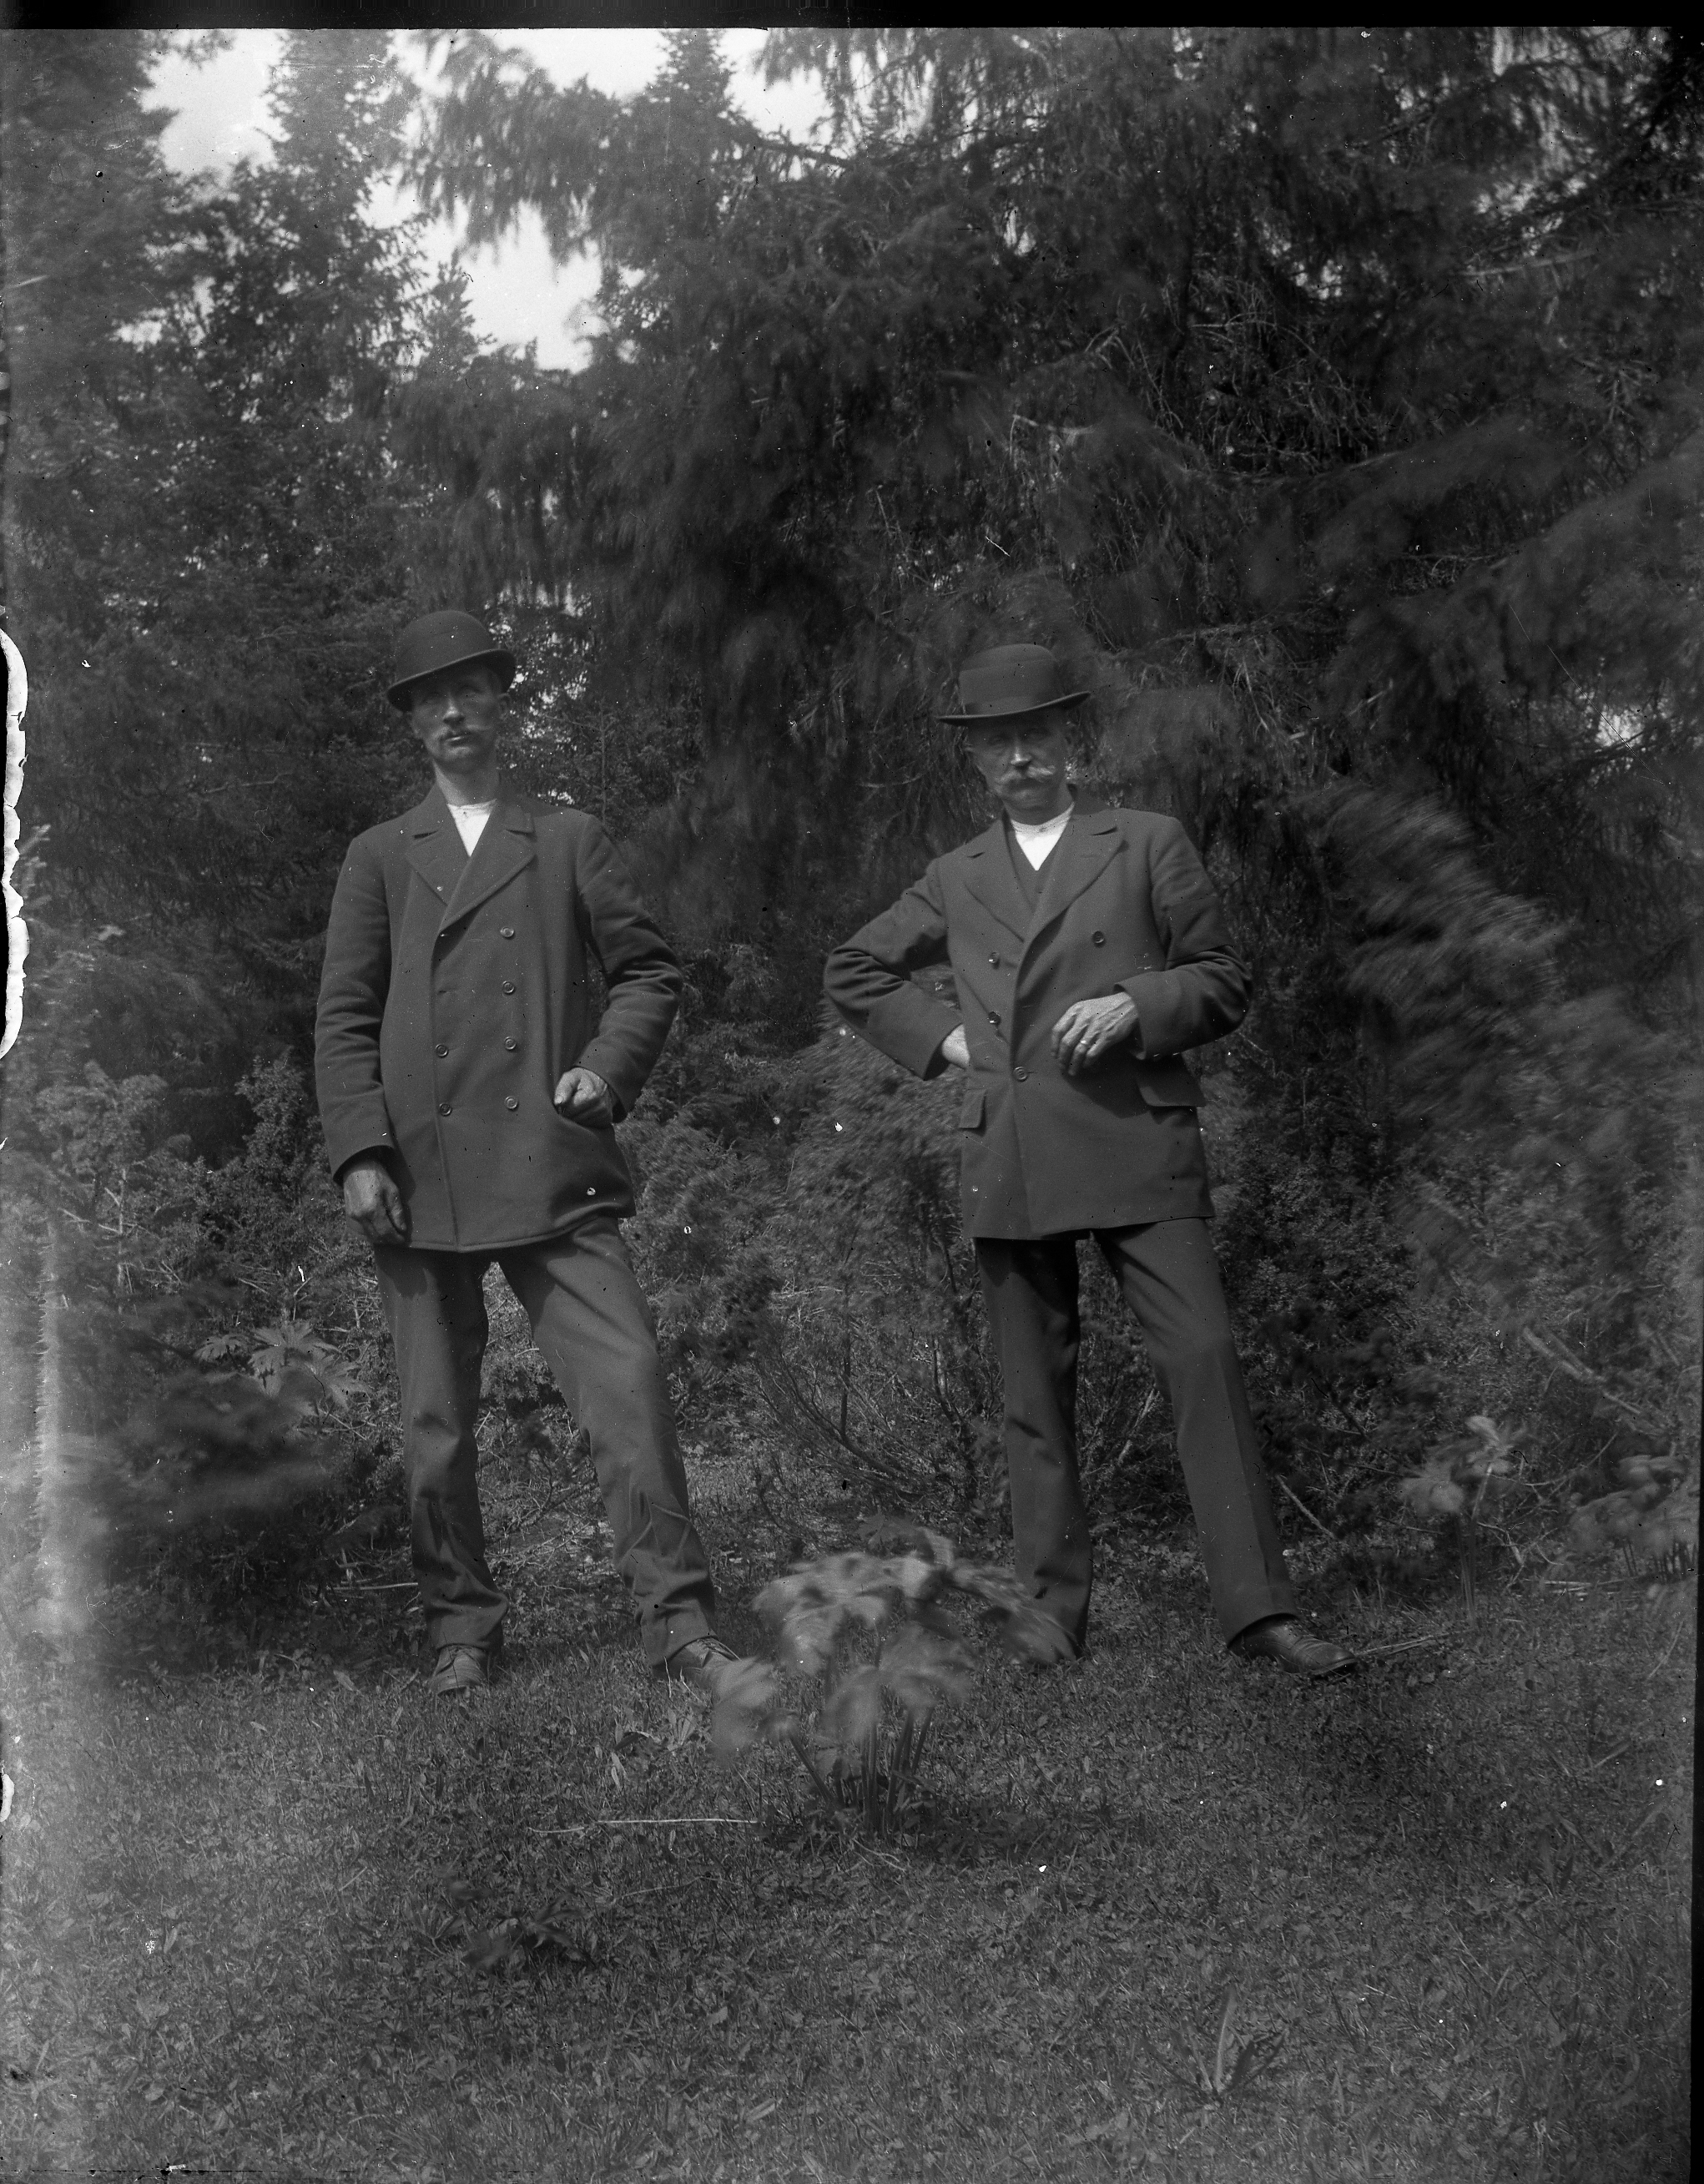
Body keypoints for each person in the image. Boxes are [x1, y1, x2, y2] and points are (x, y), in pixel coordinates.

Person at [823, 643, 1351, 1677]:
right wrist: (950, 1041)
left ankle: (1259, 1613)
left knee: (1202, 1359)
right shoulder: (955, 876)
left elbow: (1222, 977)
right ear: (973, 759)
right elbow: (853, 967)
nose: (1018, 756)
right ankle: (1049, 1622)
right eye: (996, 742)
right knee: (1032, 1394)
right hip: (1013, 1146)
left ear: (1069, 741)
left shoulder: (1145, 840)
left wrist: (1136, 1005)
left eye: (1035, 735)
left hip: (1135, 1133)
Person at [315, 609, 739, 1698]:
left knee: (628, 1384)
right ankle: (461, 1628)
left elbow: (648, 973)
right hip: (419, 1175)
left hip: (553, 1158)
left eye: (470, 690)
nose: (452, 711)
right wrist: (359, 1149)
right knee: (433, 1425)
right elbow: (343, 1017)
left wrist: (606, 1068)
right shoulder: (379, 857)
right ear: (412, 722)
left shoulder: (565, 838)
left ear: (500, 704)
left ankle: (679, 1621)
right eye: (430, 698)